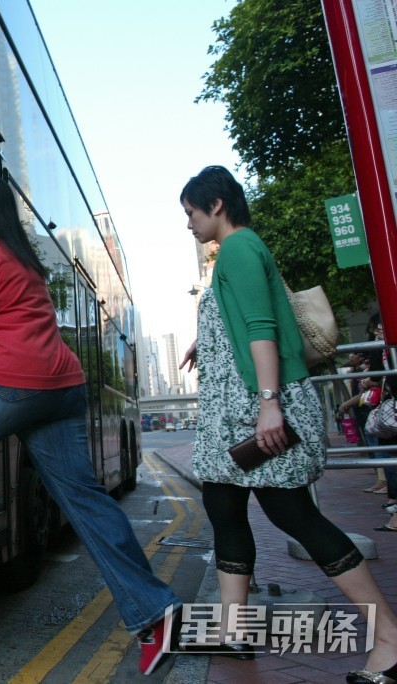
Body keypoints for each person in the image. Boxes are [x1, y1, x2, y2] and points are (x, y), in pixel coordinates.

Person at [0, 175, 181, 676]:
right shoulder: (21, 256)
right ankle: (156, 610)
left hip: (7, 381)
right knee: (85, 499)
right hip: (61, 385)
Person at [177, 165, 397, 682]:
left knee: (294, 515)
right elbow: (243, 318)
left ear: (216, 206)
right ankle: (234, 631)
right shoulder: (236, 252)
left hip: (258, 403)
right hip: (236, 408)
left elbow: (262, 326)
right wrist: (203, 341)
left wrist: (269, 402)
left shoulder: (238, 249)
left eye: (190, 212)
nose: (187, 223)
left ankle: (387, 635)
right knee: (224, 504)